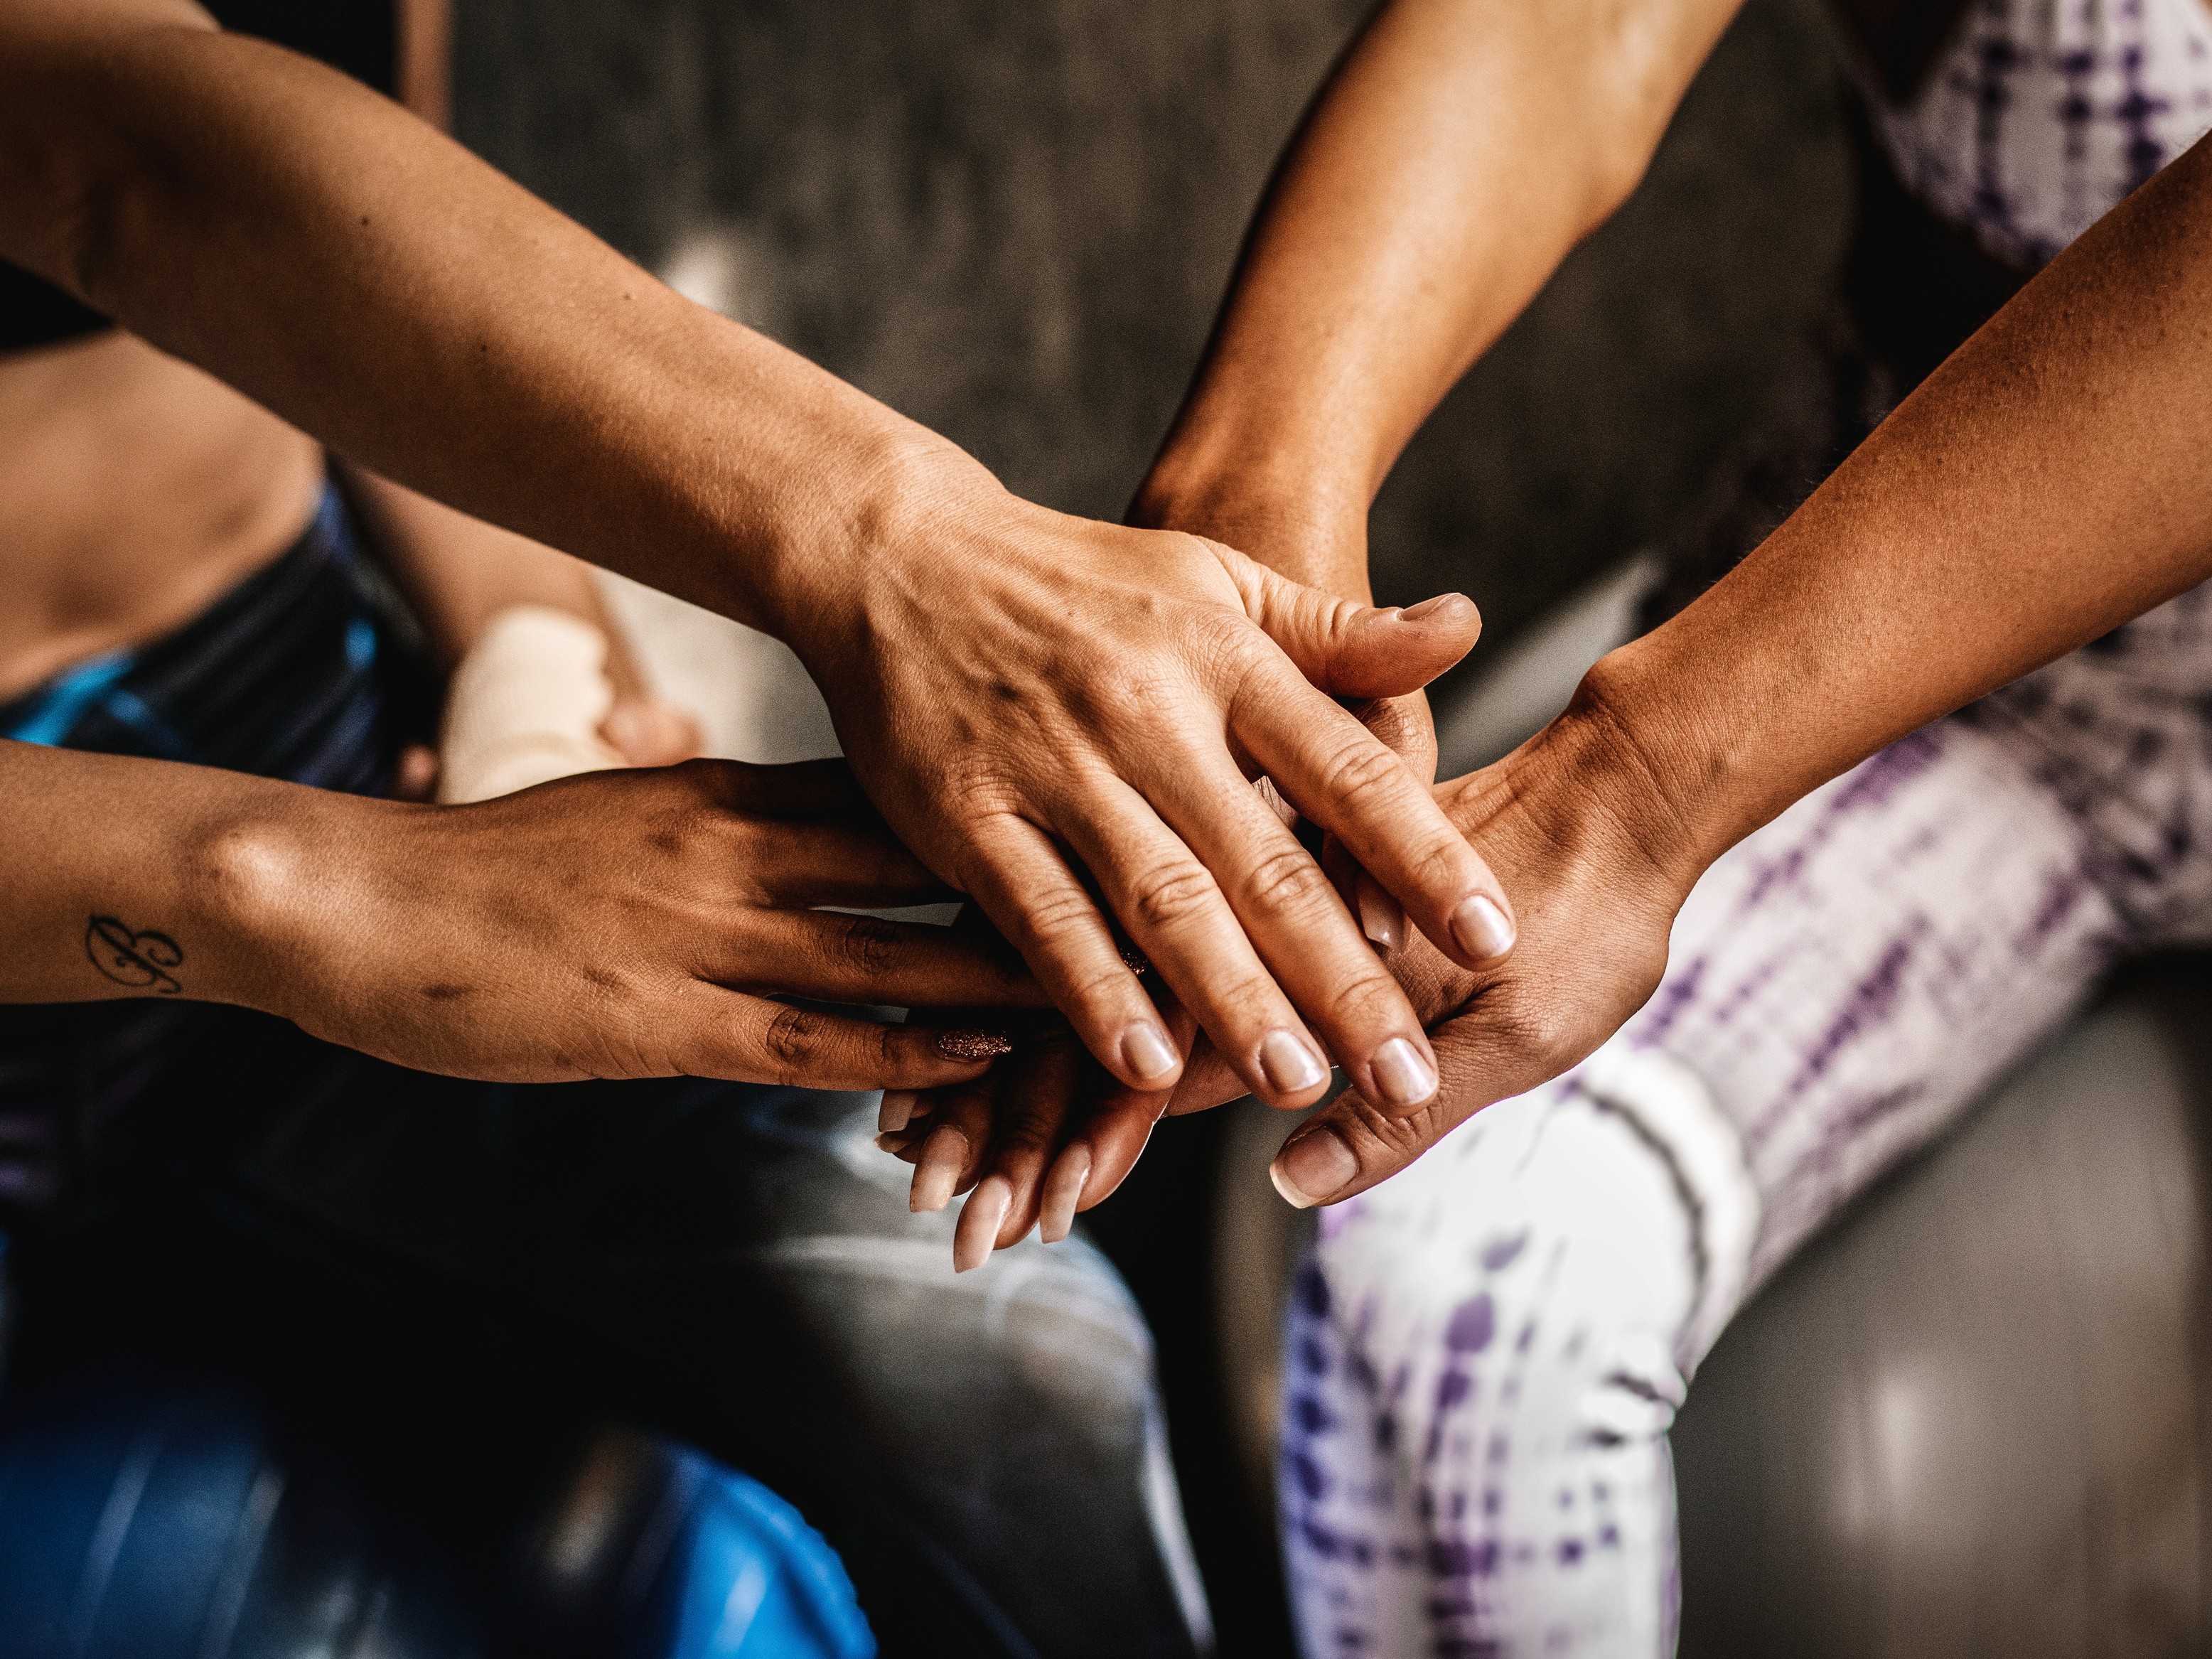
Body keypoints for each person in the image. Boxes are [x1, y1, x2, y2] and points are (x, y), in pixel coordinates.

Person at [0, 0, 1509, 1645]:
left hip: (315, 729)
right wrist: (314, 895)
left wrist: (525, 667)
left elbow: (278, 233)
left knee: (1011, 1372)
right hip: (152, 871)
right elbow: (104, 147)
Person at [902, 0, 2212, 1652]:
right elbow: (1573, 27)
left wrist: (1640, 782)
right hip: (1952, 684)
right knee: (1446, 1279)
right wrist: (1244, 534)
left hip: (1751, 708)